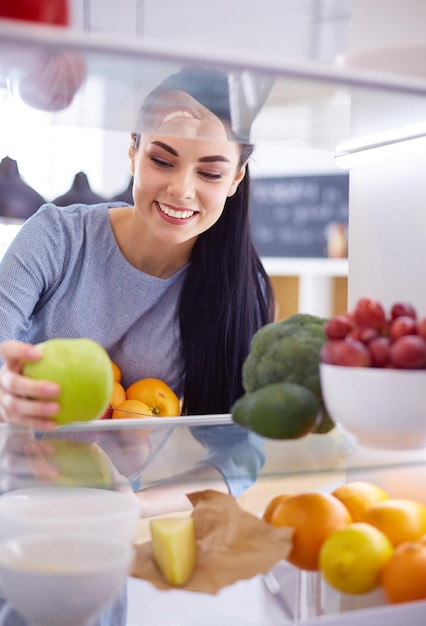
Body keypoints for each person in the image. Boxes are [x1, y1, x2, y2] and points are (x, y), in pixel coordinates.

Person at [0, 65, 275, 624]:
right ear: (132, 151)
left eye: (211, 170)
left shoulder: (238, 292)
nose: (180, 189)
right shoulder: (58, 236)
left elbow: (240, 455)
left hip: (95, 536)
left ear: (238, 177)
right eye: (162, 159)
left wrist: (130, 506)